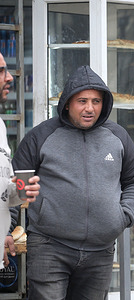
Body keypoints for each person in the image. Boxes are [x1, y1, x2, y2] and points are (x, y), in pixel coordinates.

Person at [10, 65, 134, 299]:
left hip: (100, 251)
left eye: (96, 101)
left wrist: (123, 215)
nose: (89, 108)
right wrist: (6, 229)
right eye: (82, 101)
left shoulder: (118, 136)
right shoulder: (41, 136)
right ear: (67, 103)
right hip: (49, 247)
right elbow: (14, 185)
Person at [0, 51, 40, 269]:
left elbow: (2, 191)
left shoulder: (0, 127)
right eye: (1, 71)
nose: (9, 77)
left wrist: (20, 190)